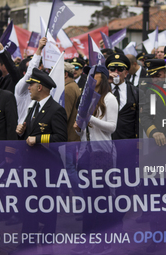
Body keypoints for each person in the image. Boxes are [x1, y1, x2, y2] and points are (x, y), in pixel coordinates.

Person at [72, 65, 118, 255]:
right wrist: (78, 127)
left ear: (104, 77)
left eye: (96, 74)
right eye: (91, 74)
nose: (93, 77)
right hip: (86, 152)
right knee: (88, 200)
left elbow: (112, 127)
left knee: (101, 199)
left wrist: (90, 117)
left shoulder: (109, 98)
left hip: (102, 153)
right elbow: (82, 129)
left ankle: (102, 239)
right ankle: (86, 239)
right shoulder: (87, 98)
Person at [16, 68, 67, 145]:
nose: (28, 88)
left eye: (31, 85)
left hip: (45, 156)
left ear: (39, 87)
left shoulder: (56, 109)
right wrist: (21, 132)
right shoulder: (33, 107)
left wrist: (37, 139)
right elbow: (30, 133)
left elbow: (61, 137)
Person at [106, 53, 139, 140]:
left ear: (126, 73)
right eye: (112, 69)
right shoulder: (102, 90)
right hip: (106, 140)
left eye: (120, 69)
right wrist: (104, 83)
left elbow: (140, 120)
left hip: (127, 141)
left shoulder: (135, 92)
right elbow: (82, 102)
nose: (116, 72)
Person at [15, 37, 47, 124]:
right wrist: (39, 48)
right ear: (24, 73)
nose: (37, 70)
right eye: (34, 68)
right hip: (22, 131)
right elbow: (31, 72)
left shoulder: (41, 86)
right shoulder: (21, 88)